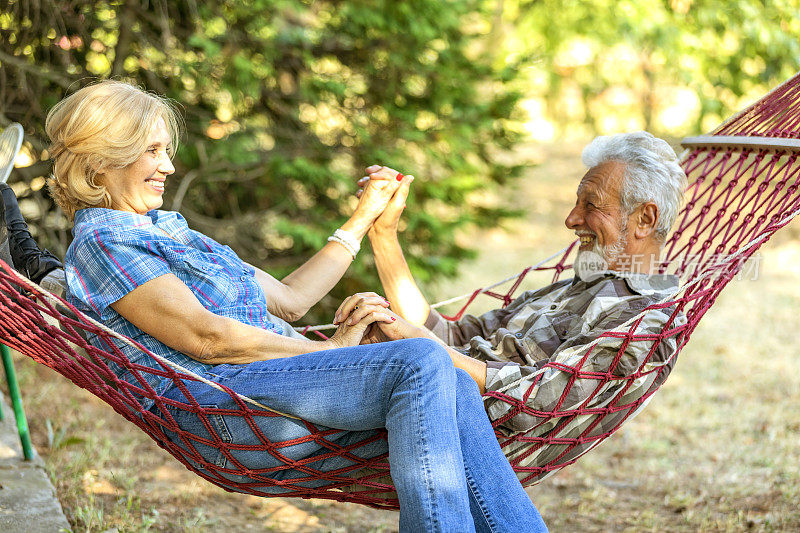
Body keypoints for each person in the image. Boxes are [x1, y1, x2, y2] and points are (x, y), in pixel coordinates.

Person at [31, 80, 547, 532]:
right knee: (420, 360)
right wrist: (327, 354)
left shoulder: (168, 230)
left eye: (166, 150)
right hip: (222, 408)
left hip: (272, 389)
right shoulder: (106, 243)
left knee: (452, 382)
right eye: (152, 151)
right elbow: (208, 341)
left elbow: (293, 301)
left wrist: (365, 218)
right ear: (101, 161)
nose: (167, 165)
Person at [339, 132, 688, 481]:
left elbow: (538, 399)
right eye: (576, 204)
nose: (571, 219)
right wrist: (384, 235)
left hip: (457, 436)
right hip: (416, 399)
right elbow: (448, 335)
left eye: (591, 205)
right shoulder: (575, 288)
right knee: (286, 343)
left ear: (644, 219)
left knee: (288, 386)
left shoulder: (649, 322)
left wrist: (422, 349)